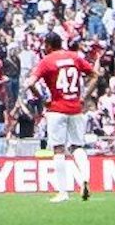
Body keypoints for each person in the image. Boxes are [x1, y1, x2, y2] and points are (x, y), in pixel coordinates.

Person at [16, 32, 101, 204]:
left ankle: (63, 192)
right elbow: (95, 75)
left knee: (58, 149)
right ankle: (85, 178)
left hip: (56, 109)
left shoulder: (47, 61)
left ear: (48, 45)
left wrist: (42, 99)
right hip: (76, 108)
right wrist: (84, 97)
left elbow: (30, 83)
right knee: (77, 146)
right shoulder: (74, 57)